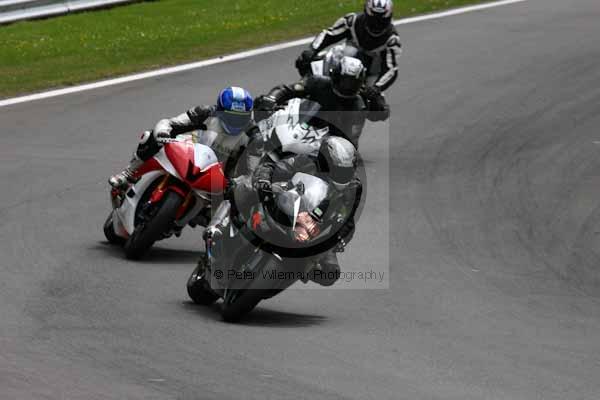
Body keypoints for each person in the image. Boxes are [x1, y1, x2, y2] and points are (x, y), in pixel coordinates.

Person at [251, 136, 363, 286]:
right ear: (325, 163)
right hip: (289, 201)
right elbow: (275, 167)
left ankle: (295, 271)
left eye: (348, 171)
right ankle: (226, 218)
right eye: (340, 170)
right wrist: (264, 179)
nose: (344, 176)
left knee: (330, 273)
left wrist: (340, 238)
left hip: (315, 228)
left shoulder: (354, 187)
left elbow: (348, 219)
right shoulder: (306, 161)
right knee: (245, 187)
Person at [109, 87, 254, 189]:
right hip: (187, 153)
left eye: (240, 118)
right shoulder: (204, 113)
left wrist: (239, 182)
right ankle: (127, 173)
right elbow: (170, 123)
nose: (235, 122)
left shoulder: (251, 134)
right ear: (219, 110)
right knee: (149, 136)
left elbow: (251, 170)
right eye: (231, 117)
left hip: (216, 175)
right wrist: (163, 133)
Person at [253, 56, 386, 152]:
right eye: (345, 81)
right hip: (304, 130)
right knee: (264, 109)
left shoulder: (361, 99)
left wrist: (376, 100)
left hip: (336, 145)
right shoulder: (318, 83)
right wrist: (271, 99)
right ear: (336, 76)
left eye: (352, 83)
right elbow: (287, 90)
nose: (348, 87)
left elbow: (381, 114)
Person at [295, 0, 401, 116]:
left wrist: (377, 88)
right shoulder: (352, 21)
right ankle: (298, 90)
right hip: (341, 64)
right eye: (373, 20)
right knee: (304, 61)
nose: (377, 25)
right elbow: (330, 34)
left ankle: (348, 121)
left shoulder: (392, 40)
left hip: (369, 75)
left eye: (381, 21)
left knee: (379, 111)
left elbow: (391, 69)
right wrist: (312, 50)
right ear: (366, 14)